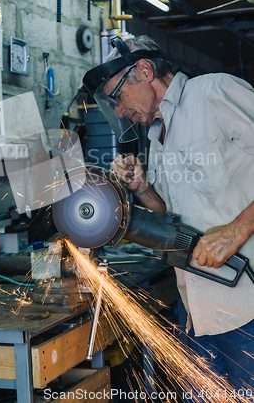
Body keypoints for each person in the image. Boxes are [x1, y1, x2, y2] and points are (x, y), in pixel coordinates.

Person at [82, 35, 254, 390]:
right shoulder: (159, 136)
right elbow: (171, 215)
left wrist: (238, 228)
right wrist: (142, 189)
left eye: (117, 97)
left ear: (144, 71)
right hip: (200, 312)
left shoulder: (214, 93)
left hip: (247, 310)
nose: (118, 110)